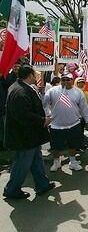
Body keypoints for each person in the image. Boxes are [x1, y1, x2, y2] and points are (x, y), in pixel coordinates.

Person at [3, 65, 55, 199]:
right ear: (30, 75)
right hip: (24, 136)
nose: (36, 76)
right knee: (22, 163)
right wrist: (42, 120)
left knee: (36, 159)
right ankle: (12, 189)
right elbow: (24, 115)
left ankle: (42, 184)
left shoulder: (21, 87)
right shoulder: (20, 92)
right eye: (35, 74)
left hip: (31, 136)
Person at [43, 72, 88, 172]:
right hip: (56, 125)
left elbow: (84, 107)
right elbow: (45, 103)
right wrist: (47, 114)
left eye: (68, 79)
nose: (65, 81)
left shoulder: (78, 92)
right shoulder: (52, 91)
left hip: (73, 124)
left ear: (72, 81)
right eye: (63, 79)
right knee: (55, 146)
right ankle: (56, 162)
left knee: (73, 145)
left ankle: (73, 162)